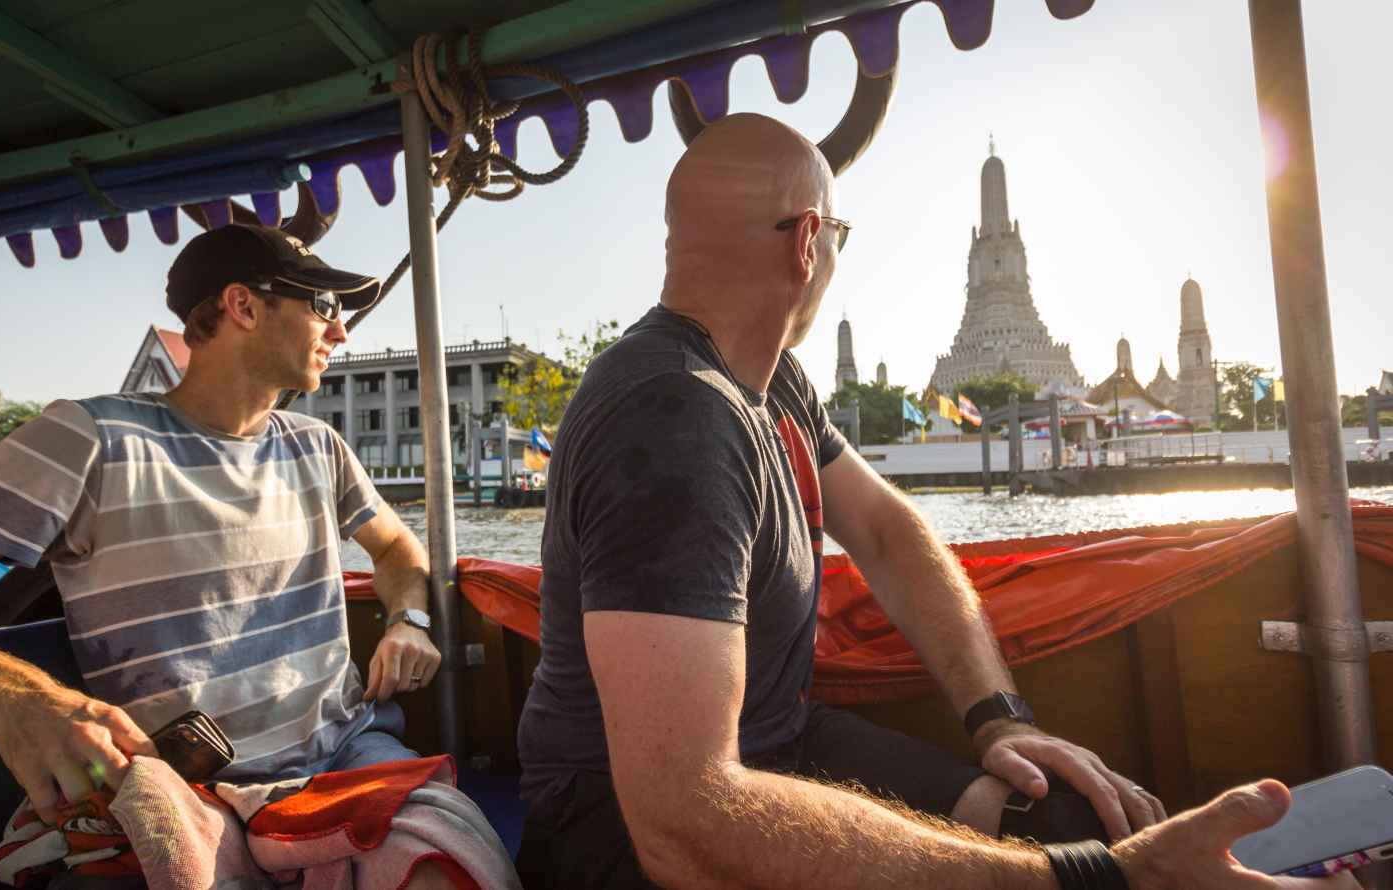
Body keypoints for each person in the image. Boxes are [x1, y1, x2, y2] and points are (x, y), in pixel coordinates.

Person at [513, 113, 1353, 890]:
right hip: (617, 830)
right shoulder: (673, 415)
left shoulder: (774, 384)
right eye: (838, 234)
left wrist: (999, 719)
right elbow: (682, 819)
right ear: (810, 241)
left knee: (1059, 813)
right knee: (1074, 859)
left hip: (776, 746)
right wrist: (1074, 883)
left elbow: (886, 530)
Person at [0, 224, 485, 889]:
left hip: (342, 754)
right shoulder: (90, 439)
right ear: (244, 307)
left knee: (444, 873)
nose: (339, 332)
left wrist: (409, 619)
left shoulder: (319, 446)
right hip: (174, 782)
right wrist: (14, 696)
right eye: (324, 305)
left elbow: (396, 546)